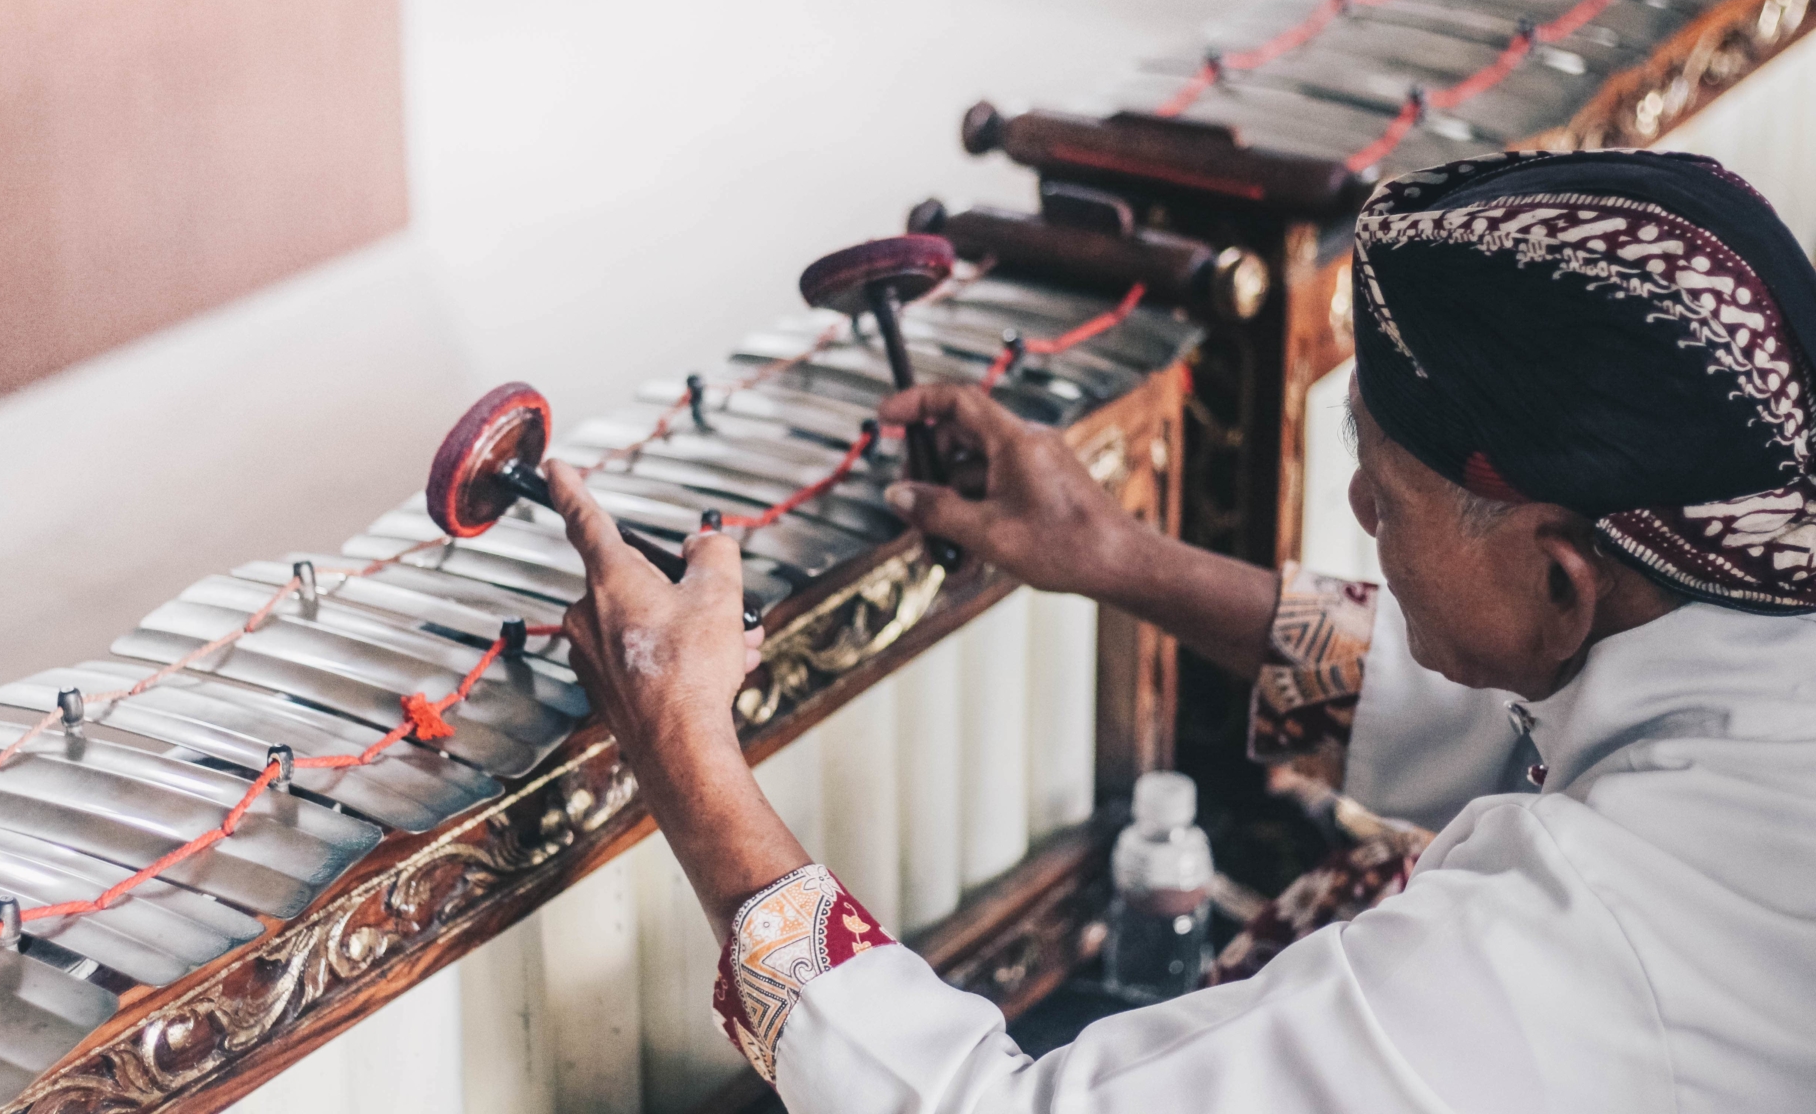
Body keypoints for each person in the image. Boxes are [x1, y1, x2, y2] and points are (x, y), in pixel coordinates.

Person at [543, 150, 1816, 1113]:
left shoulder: (1570, 948)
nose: (1361, 503)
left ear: (1562, 576)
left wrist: (686, 750)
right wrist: (1121, 559)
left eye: (1381, 473)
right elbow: (1507, 727)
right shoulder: (1744, 602)